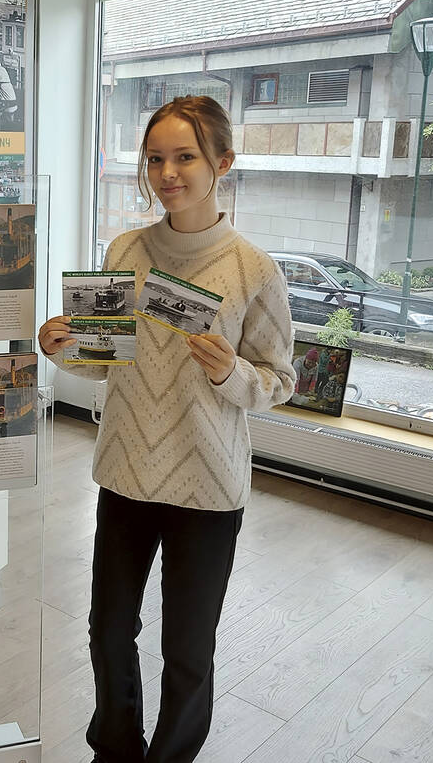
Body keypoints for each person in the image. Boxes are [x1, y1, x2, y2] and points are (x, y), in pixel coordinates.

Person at [38, 95, 295, 763]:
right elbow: (101, 366)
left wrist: (230, 374)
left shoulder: (253, 269)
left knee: (186, 648)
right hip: (125, 472)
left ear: (223, 162)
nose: (167, 172)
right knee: (108, 630)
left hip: (207, 487)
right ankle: (115, 749)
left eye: (184, 156)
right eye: (155, 158)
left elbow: (280, 379)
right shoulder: (125, 248)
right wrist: (61, 347)